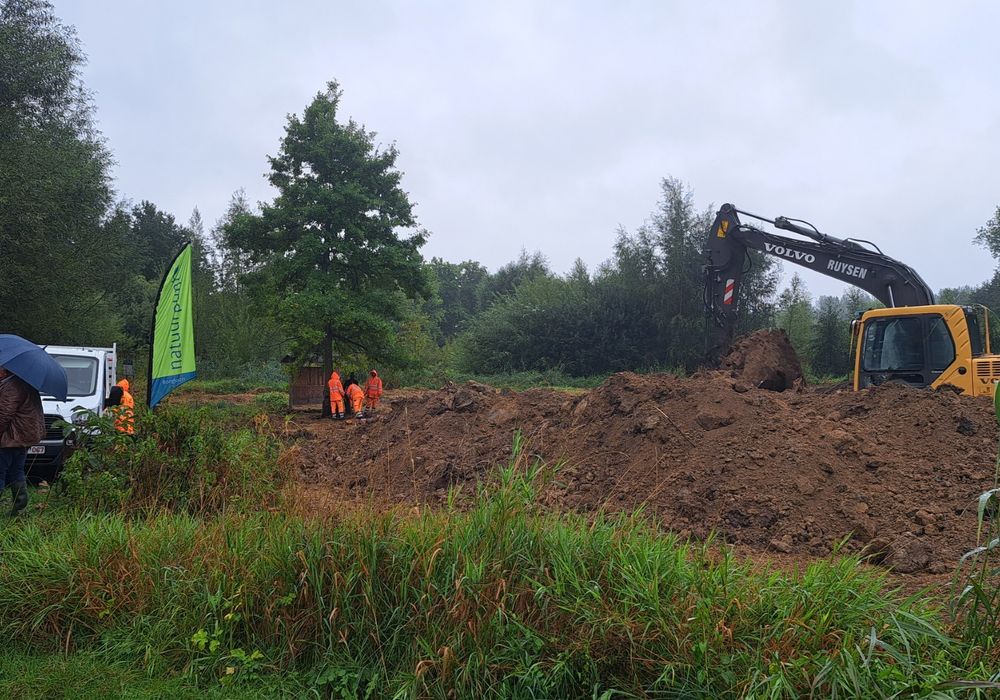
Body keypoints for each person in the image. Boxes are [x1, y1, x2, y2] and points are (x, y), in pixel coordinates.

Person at [0, 366, 44, 516]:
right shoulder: (25, 383)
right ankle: (19, 508)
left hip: (9, 438)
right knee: (16, 471)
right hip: (21, 439)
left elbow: (3, 415)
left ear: (5, 370)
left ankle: (18, 508)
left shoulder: (12, 387)